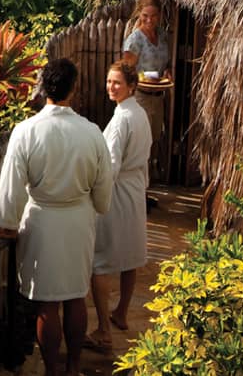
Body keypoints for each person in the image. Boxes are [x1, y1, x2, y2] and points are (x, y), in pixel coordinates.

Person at [0, 58, 113, 376]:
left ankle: (52, 371)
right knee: (75, 297)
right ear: (74, 89)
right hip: (77, 222)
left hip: (42, 222)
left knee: (46, 304)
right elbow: (102, 190)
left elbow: (12, 183)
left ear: (44, 89)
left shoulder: (26, 131)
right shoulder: (92, 133)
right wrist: (98, 205)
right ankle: (73, 367)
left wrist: (8, 221)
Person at [86, 61, 151, 352]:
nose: (111, 87)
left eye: (117, 83)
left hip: (118, 191)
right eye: (109, 81)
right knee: (130, 256)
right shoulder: (140, 114)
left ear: (131, 86)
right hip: (135, 189)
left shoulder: (122, 119)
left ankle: (102, 328)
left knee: (100, 261)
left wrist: (95, 197)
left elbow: (110, 165)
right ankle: (121, 312)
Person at [120, 0, 170, 182]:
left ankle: (146, 185)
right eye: (145, 15)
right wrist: (141, 80)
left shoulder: (163, 36)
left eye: (154, 16)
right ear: (138, 15)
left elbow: (166, 63)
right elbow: (126, 71)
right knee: (140, 142)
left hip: (158, 96)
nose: (149, 20)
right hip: (141, 96)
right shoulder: (135, 41)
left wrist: (167, 72)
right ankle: (139, 186)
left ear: (160, 16)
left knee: (154, 139)